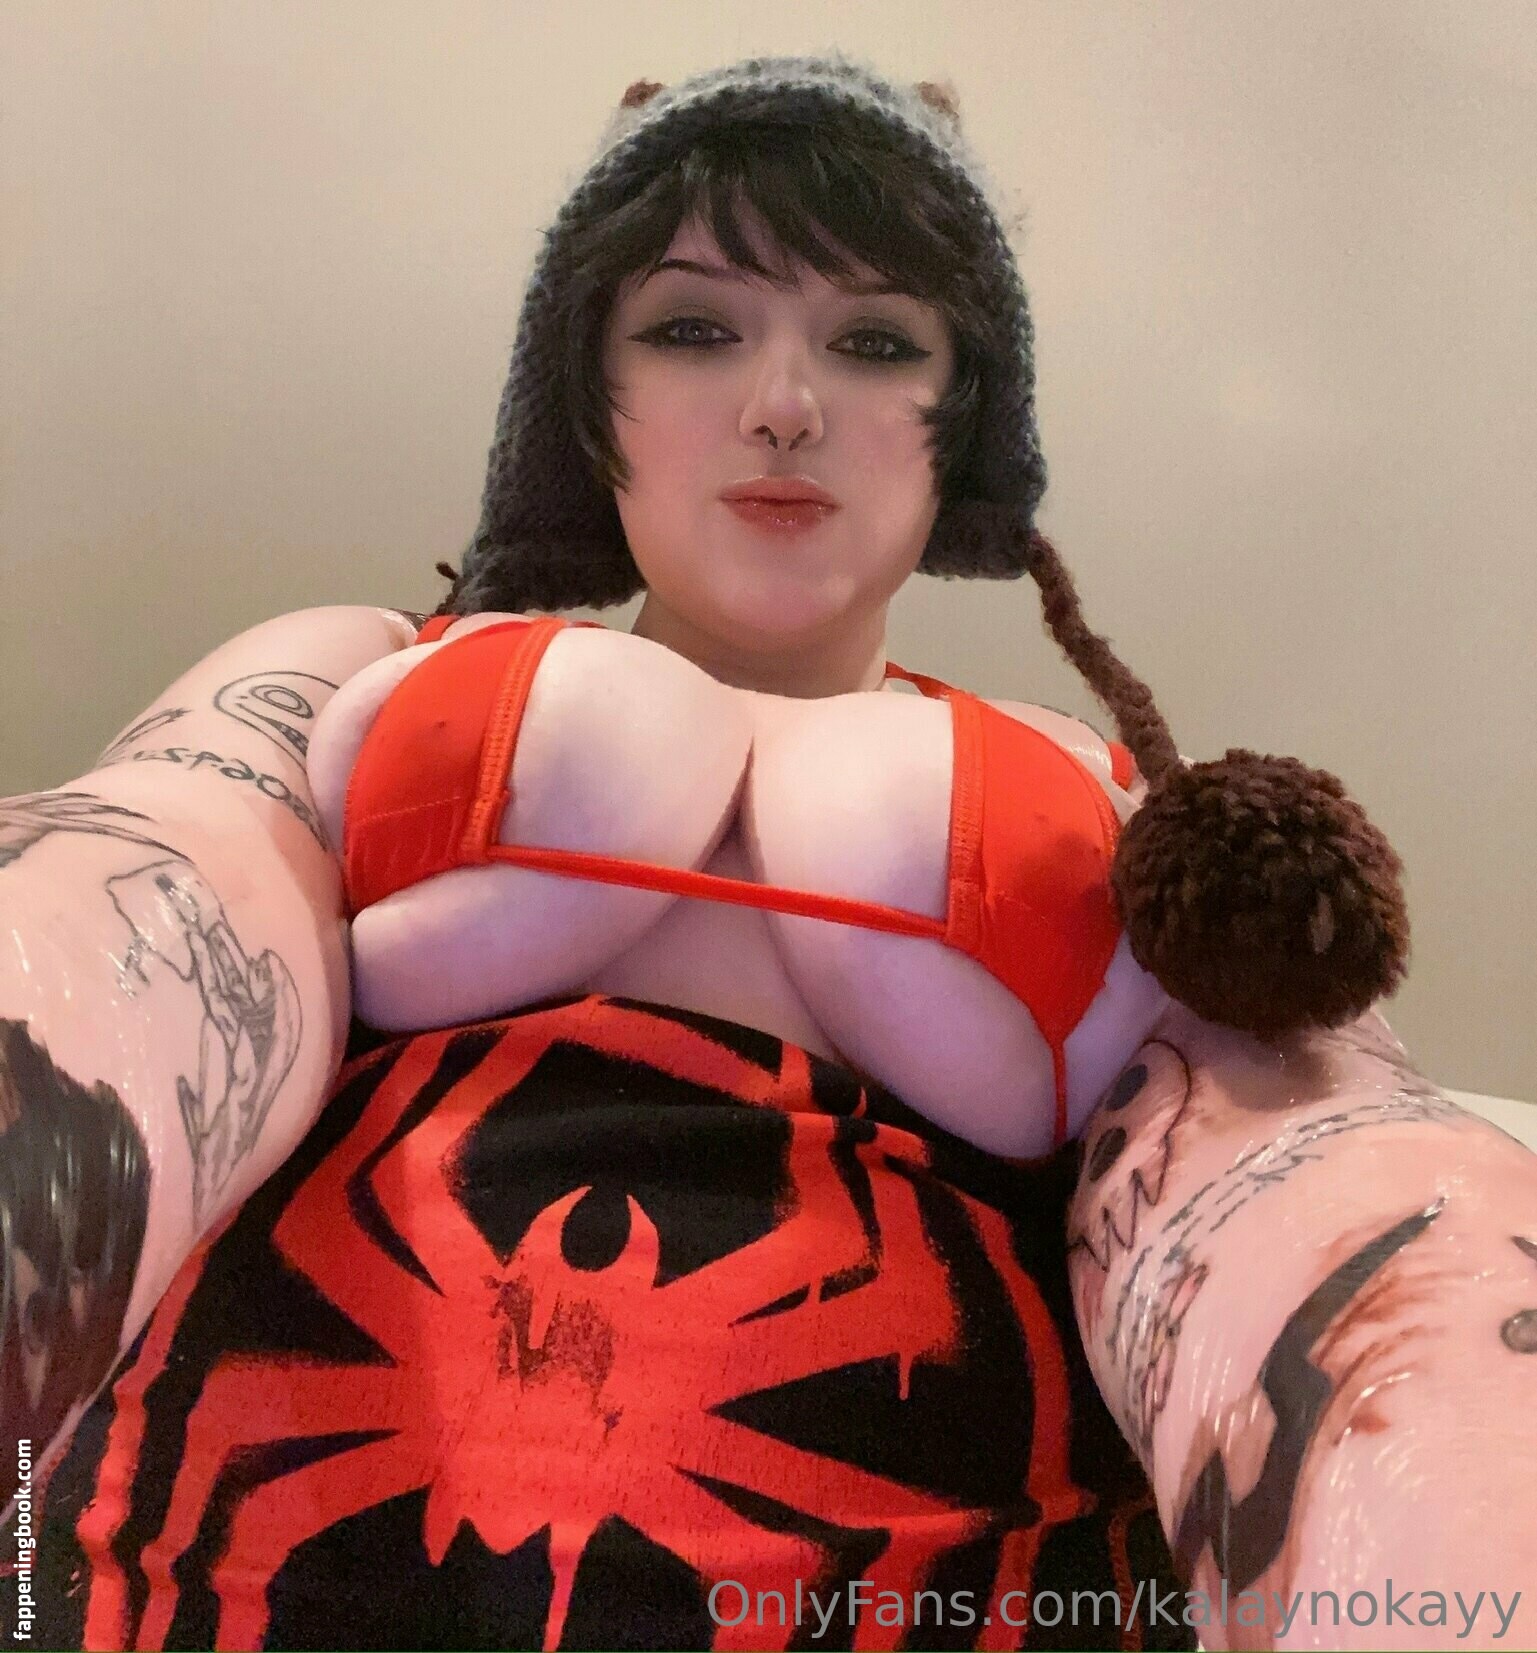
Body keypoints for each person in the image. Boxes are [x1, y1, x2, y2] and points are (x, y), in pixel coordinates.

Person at [3, 51, 1533, 1652]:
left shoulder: (1107, 789)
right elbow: (156, 879)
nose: (785, 405)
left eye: (874, 343)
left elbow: (1307, 1156)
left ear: (961, 432)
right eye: (691, 329)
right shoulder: (368, 667)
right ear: (584, 403)